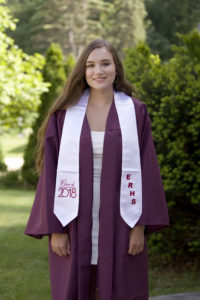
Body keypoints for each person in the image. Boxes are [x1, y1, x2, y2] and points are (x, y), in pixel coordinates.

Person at [25, 39, 169, 300]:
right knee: (75, 284)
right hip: (74, 215)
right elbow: (51, 174)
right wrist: (56, 229)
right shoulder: (64, 114)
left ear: (116, 67)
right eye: (90, 65)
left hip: (122, 214)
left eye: (105, 63)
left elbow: (147, 170)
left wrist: (139, 227)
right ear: (83, 70)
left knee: (123, 286)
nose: (98, 71)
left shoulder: (135, 112)